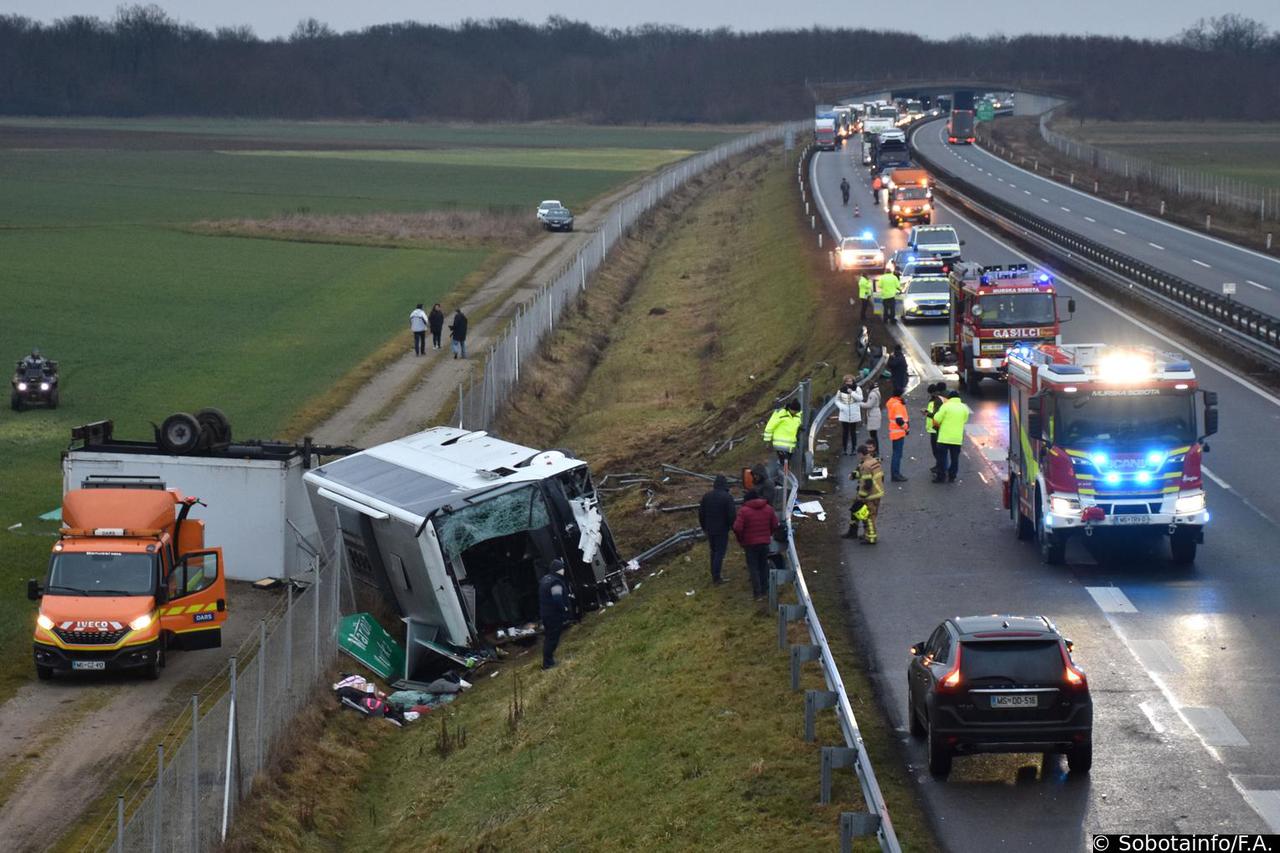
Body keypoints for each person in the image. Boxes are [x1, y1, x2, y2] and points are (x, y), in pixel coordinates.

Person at [732, 489, 779, 600]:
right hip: (764, 543)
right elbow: (775, 524)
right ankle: (765, 589)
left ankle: (757, 594)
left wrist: (741, 539)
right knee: (763, 565)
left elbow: (737, 528)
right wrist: (768, 534)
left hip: (750, 544)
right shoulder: (768, 508)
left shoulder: (743, 511)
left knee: (753, 568)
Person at [698, 475, 738, 585]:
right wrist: (732, 526)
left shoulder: (707, 496)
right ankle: (717, 578)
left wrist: (704, 527)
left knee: (713, 551)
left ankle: (714, 575)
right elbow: (731, 515)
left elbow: (701, 513)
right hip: (722, 529)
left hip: (710, 529)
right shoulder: (727, 497)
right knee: (720, 552)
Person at [843, 442, 884, 544]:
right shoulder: (874, 461)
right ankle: (866, 534)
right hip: (877, 492)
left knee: (869, 516)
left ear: (861, 454)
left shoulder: (865, 465)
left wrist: (861, 497)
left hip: (870, 495)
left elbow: (867, 483)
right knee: (869, 514)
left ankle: (871, 538)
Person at [931, 390, 972, 483]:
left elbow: (937, 418)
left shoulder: (946, 406)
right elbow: (965, 420)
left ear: (949, 398)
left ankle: (941, 477)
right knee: (955, 459)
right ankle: (952, 476)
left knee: (942, 458)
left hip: (944, 437)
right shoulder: (964, 408)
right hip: (957, 438)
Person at [538, 558, 571, 669]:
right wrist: (564, 608)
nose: (563, 570)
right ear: (558, 570)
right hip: (553, 615)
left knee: (549, 638)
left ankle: (548, 661)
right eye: (562, 568)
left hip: (545, 614)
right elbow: (557, 598)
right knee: (552, 639)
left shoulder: (545, 579)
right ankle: (548, 663)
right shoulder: (555, 582)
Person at [762, 400, 803, 474]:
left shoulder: (798, 415)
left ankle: (783, 476)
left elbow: (796, 425)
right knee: (785, 462)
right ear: (790, 408)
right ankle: (785, 479)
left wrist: (799, 428)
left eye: (796, 411)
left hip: (790, 446)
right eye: (794, 411)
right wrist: (767, 440)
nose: (795, 413)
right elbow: (770, 426)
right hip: (780, 444)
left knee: (786, 463)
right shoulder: (781, 414)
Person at [834, 374, 864, 456]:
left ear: (853, 381)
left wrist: (852, 393)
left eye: (850, 381)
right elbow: (836, 400)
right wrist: (841, 406)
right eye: (847, 381)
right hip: (844, 414)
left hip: (854, 413)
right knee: (845, 432)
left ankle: (854, 448)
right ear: (845, 382)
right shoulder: (841, 390)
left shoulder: (857, 389)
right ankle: (844, 449)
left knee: (853, 432)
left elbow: (860, 398)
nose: (849, 383)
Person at [886, 389, 909, 482]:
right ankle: (896, 474)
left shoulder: (892, 403)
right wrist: (906, 427)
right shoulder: (898, 405)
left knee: (896, 453)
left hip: (894, 432)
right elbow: (899, 420)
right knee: (897, 455)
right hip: (898, 432)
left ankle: (894, 474)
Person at [922, 383, 945, 476]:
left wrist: (926, 413)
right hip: (932, 429)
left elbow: (936, 415)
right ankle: (938, 465)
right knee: (935, 450)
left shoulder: (937, 401)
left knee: (937, 450)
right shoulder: (933, 400)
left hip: (935, 428)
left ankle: (940, 467)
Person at [859, 376, 882, 455]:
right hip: (875, 413)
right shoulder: (877, 392)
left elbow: (869, 405)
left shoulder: (872, 394)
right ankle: (875, 451)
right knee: (874, 434)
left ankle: (875, 452)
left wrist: (860, 404)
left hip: (873, 415)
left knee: (873, 435)